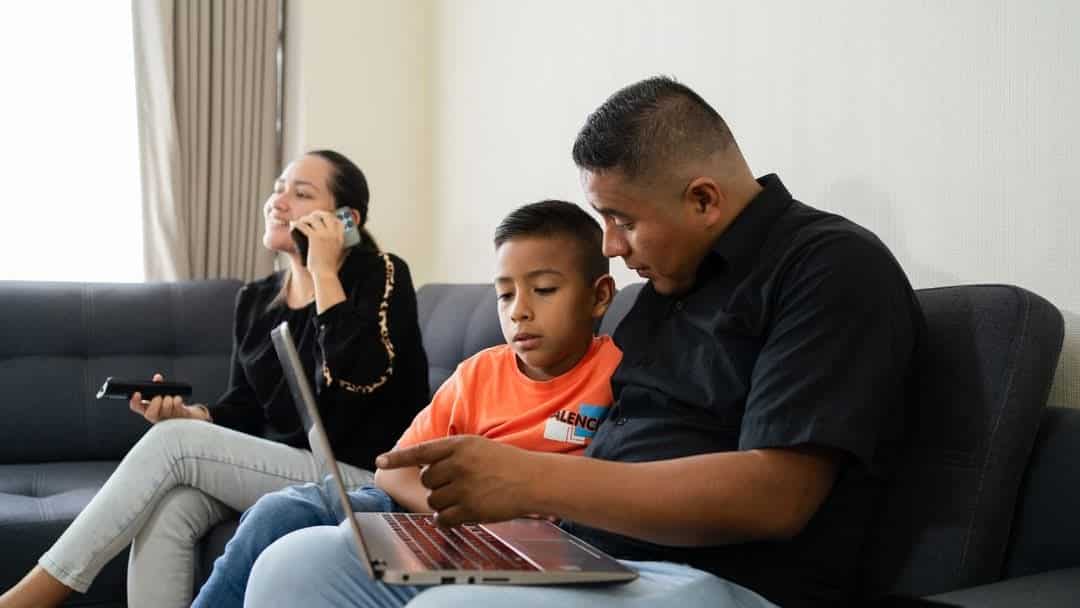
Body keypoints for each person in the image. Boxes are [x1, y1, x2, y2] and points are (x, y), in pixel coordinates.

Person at [243, 77, 925, 608]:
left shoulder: (828, 268)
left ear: (704, 200)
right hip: (585, 554)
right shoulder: (664, 291)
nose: (610, 246)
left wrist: (535, 479)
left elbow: (777, 497)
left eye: (622, 220)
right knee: (300, 561)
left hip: (723, 579)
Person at [0, 150, 430, 608]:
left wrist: (323, 269)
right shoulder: (257, 298)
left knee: (175, 444)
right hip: (289, 467)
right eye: (278, 188)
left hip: (365, 477)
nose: (278, 202)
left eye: (301, 194)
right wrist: (193, 415)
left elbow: (357, 379)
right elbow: (244, 406)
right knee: (172, 505)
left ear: (347, 219)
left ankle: (31, 597)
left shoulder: (381, 273)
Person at [191, 200, 622, 607]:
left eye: (544, 289)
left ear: (599, 296)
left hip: (521, 538)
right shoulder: (479, 372)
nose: (519, 312)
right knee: (278, 511)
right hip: (429, 513)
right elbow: (392, 472)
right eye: (505, 295)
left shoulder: (616, 374)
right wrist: (462, 517)